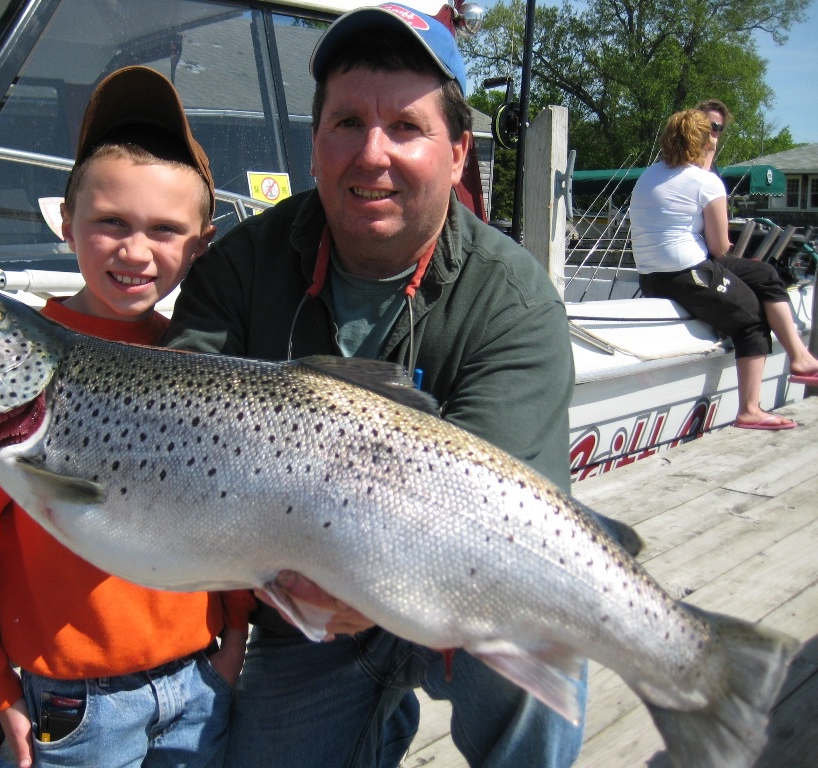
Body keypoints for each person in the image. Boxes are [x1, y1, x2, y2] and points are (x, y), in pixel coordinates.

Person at [164, 5, 586, 767]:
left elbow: (500, 524)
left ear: (459, 153)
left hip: (469, 593)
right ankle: (373, 718)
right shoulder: (236, 271)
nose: (372, 154)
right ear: (315, 142)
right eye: (348, 122)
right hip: (304, 611)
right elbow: (181, 457)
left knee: (541, 662)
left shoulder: (515, 302)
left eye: (407, 128)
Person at [0, 66, 254, 768]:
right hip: (75, 704)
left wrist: (234, 641)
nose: (135, 251)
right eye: (110, 224)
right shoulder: (1, 381)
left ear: (202, 242)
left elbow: (236, 518)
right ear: (65, 222)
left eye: (165, 229)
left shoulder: (205, 363)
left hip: (198, 679)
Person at [630, 109, 818, 430]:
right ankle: (750, 410)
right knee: (752, 319)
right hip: (687, 275)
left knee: (766, 276)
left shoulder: (649, 175)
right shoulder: (706, 182)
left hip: (653, 278)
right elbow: (720, 248)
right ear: (703, 142)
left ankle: (800, 358)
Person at [694, 98, 731, 174]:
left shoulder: (714, 171)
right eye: (705, 124)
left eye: (715, 127)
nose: (708, 130)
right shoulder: (675, 157)